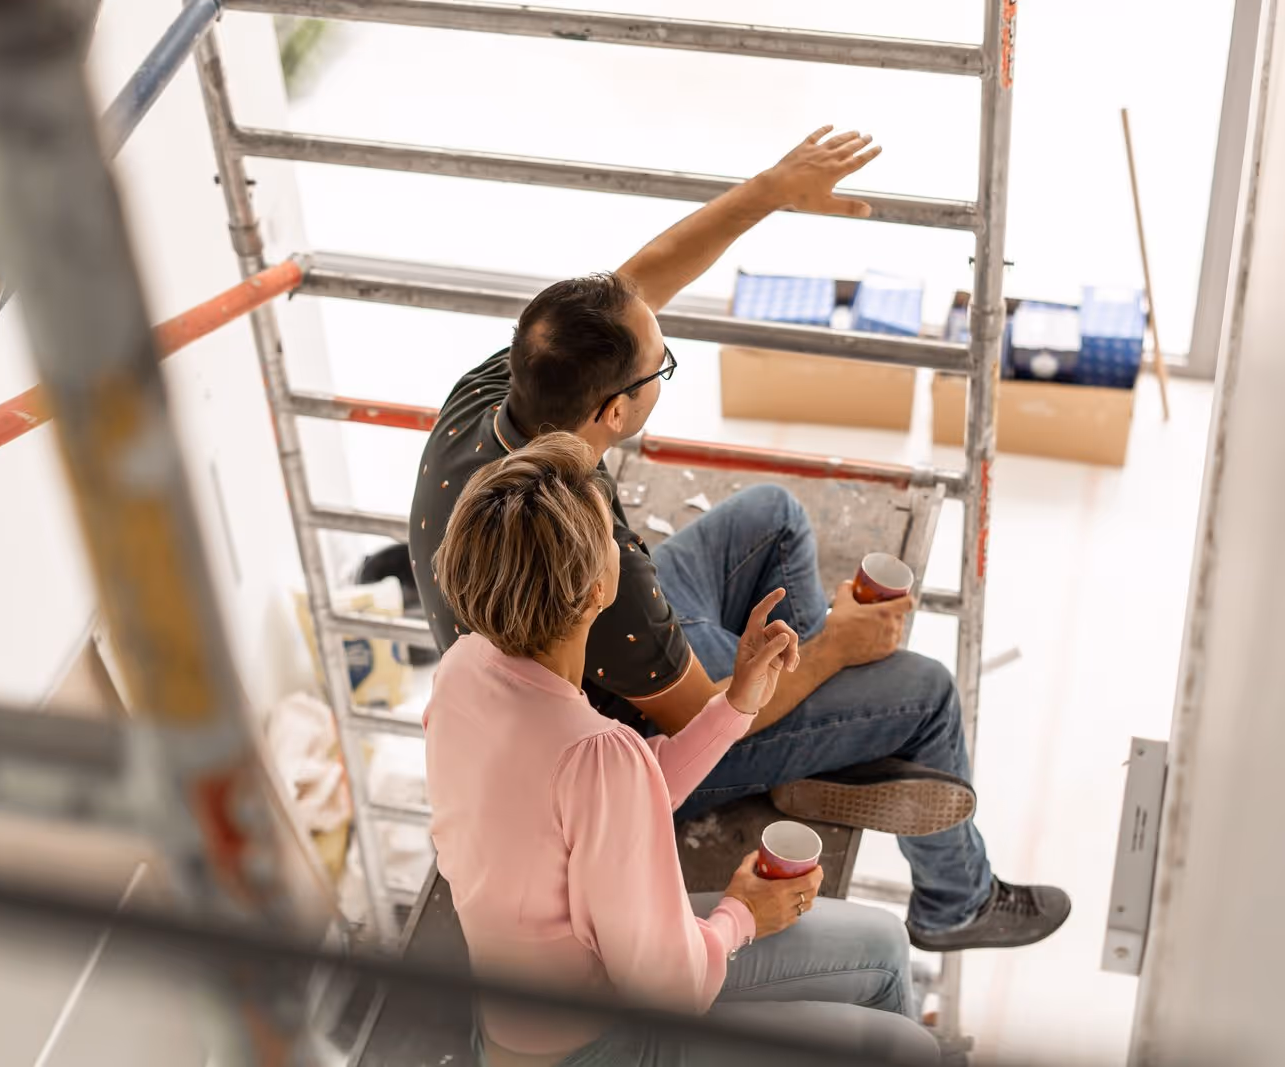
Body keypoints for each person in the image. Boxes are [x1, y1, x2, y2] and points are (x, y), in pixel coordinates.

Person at [410, 126, 1069, 951]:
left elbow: (638, 287)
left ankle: (824, 749)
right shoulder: (594, 568)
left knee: (773, 515)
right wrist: (837, 653)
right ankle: (952, 899)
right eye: (661, 367)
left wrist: (771, 189)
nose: (661, 359)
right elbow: (701, 710)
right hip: (635, 719)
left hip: (578, 654)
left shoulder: (496, 391)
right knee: (925, 691)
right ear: (614, 412)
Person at [424, 434, 940, 1067]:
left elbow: (620, 800)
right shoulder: (593, 753)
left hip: (520, 1017)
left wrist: (736, 703)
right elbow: (670, 991)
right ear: (596, 594)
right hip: (599, 1046)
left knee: (886, 943)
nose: (624, 544)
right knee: (907, 1047)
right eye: (613, 537)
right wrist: (741, 915)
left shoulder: (463, 669)